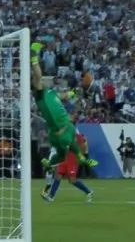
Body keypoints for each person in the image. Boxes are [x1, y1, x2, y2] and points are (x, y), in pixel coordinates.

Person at [30, 42, 98, 172]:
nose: (43, 83)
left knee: (66, 151)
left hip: (66, 126)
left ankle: (71, 160)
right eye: (40, 84)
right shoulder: (40, 96)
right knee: (65, 149)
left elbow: (65, 95)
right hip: (58, 132)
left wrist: (75, 92)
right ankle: (59, 161)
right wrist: (34, 56)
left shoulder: (52, 93)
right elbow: (38, 76)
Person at [41, 130, 93, 203]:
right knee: (57, 176)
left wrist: (81, 156)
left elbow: (83, 145)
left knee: (72, 180)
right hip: (64, 159)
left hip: (72, 160)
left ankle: (88, 191)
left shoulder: (77, 137)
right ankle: (51, 196)